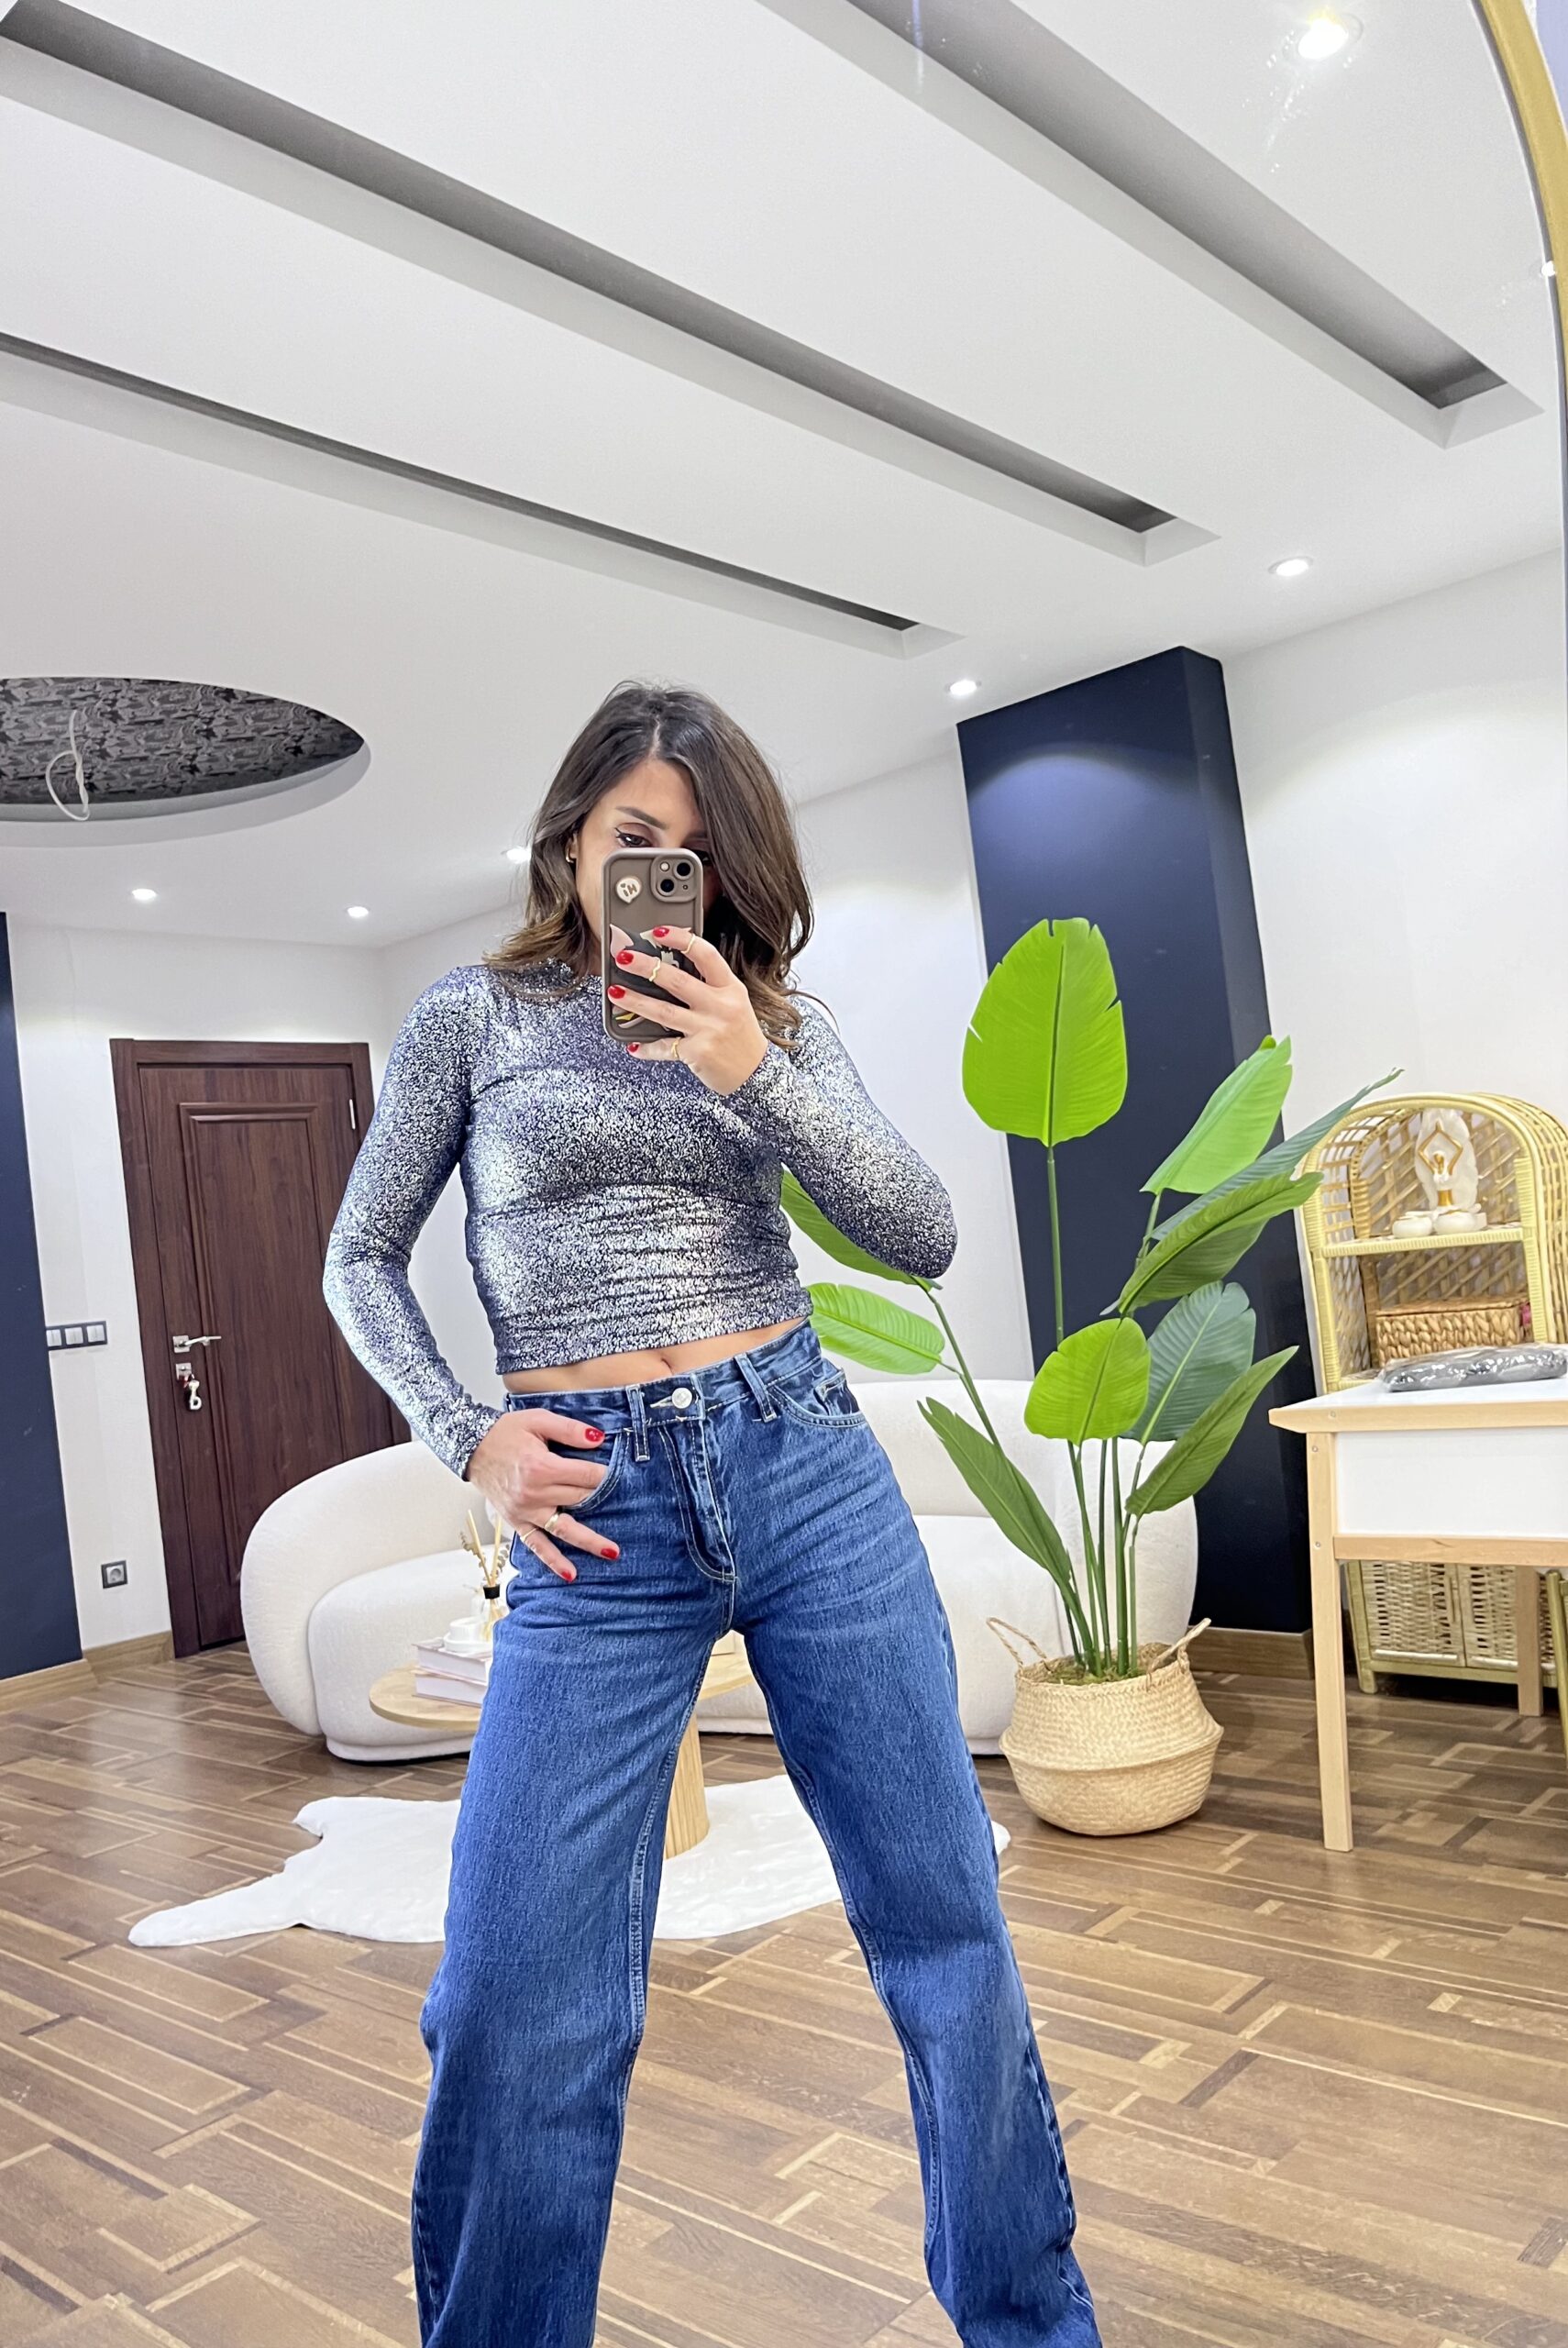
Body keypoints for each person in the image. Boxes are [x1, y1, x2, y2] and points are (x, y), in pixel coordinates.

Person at [324, 681, 1099, 2348]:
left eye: (696, 854)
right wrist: (466, 1436)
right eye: (633, 841)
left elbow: (917, 1232)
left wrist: (751, 1065)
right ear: (571, 840)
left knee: (944, 1929)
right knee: (509, 1997)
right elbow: (359, 1256)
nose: (657, 879)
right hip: (594, 1518)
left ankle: (1031, 2325)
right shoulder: (468, 1018)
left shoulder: (773, 1023)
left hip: (801, 1461)